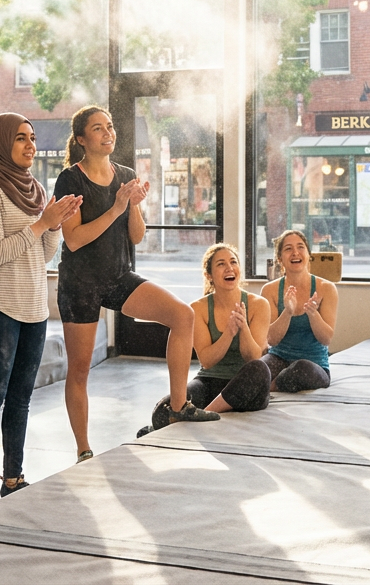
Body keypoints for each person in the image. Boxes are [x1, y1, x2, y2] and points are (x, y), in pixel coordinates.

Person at [55, 105, 219, 461]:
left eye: (110, 126)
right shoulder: (71, 179)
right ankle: (83, 449)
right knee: (80, 370)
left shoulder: (125, 174)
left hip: (117, 277)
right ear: (82, 139)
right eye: (98, 128)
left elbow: (138, 236)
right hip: (79, 284)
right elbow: (74, 240)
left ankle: (178, 406)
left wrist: (133, 206)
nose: (108, 132)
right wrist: (116, 207)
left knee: (182, 316)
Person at [0, 114, 81, 510]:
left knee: (20, 400)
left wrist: (54, 225)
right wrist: (41, 223)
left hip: (33, 309)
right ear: (0, 143)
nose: (30, 145)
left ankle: (13, 478)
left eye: (32, 138)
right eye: (20, 138)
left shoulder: (35, 189)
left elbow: (44, 254)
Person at [183, 244, 272, 415]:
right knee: (173, 401)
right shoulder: (198, 308)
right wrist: (229, 333)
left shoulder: (259, 305)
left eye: (233, 262)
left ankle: (206, 413)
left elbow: (253, 357)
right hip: (210, 381)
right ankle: (161, 425)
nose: (229, 268)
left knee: (260, 369)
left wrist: (243, 328)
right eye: (221, 264)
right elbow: (207, 361)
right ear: (208, 275)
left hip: (247, 384)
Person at [260, 230, 337, 393]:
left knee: (301, 367)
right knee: (257, 368)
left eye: (300, 247)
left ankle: (269, 388)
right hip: (278, 358)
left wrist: (313, 314)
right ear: (280, 259)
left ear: (308, 254)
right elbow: (272, 340)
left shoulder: (326, 288)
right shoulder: (270, 290)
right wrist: (287, 312)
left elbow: (326, 339)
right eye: (288, 249)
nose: (295, 253)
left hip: (313, 365)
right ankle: (265, 385)